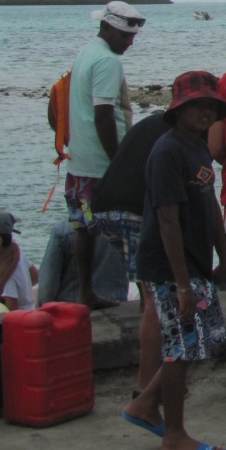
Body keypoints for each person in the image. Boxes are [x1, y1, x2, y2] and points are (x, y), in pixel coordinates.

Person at [122, 71, 226, 450]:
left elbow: (210, 206)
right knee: (180, 347)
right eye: (196, 105)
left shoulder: (199, 148)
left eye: (211, 106)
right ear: (178, 109)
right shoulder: (167, 152)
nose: (205, 112)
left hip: (197, 262)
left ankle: (145, 406)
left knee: (200, 341)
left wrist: (224, 256)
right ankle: (174, 437)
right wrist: (183, 286)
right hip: (169, 266)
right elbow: (167, 220)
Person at [65, 0, 143, 310]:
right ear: (107, 28)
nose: (130, 42)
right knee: (133, 231)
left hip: (79, 165)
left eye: (133, 36)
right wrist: (119, 163)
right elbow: (103, 115)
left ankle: (86, 292)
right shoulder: (109, 62)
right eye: (125, 36)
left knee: (83, 228)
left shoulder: (85, 53)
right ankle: (145, 299)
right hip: (102, 168)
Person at [90, 110, 172, 395]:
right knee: (155, 299)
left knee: (147, 290)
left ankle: (152, 375)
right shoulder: (182, 137)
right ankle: (146, 386)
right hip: (132, 212)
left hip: (102, 209)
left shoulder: (151, 123)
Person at [36, 219, 127, 306]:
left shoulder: (62, 230)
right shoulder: (124, 227)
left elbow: (47, 288)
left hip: (72, 309)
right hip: (116, 304)